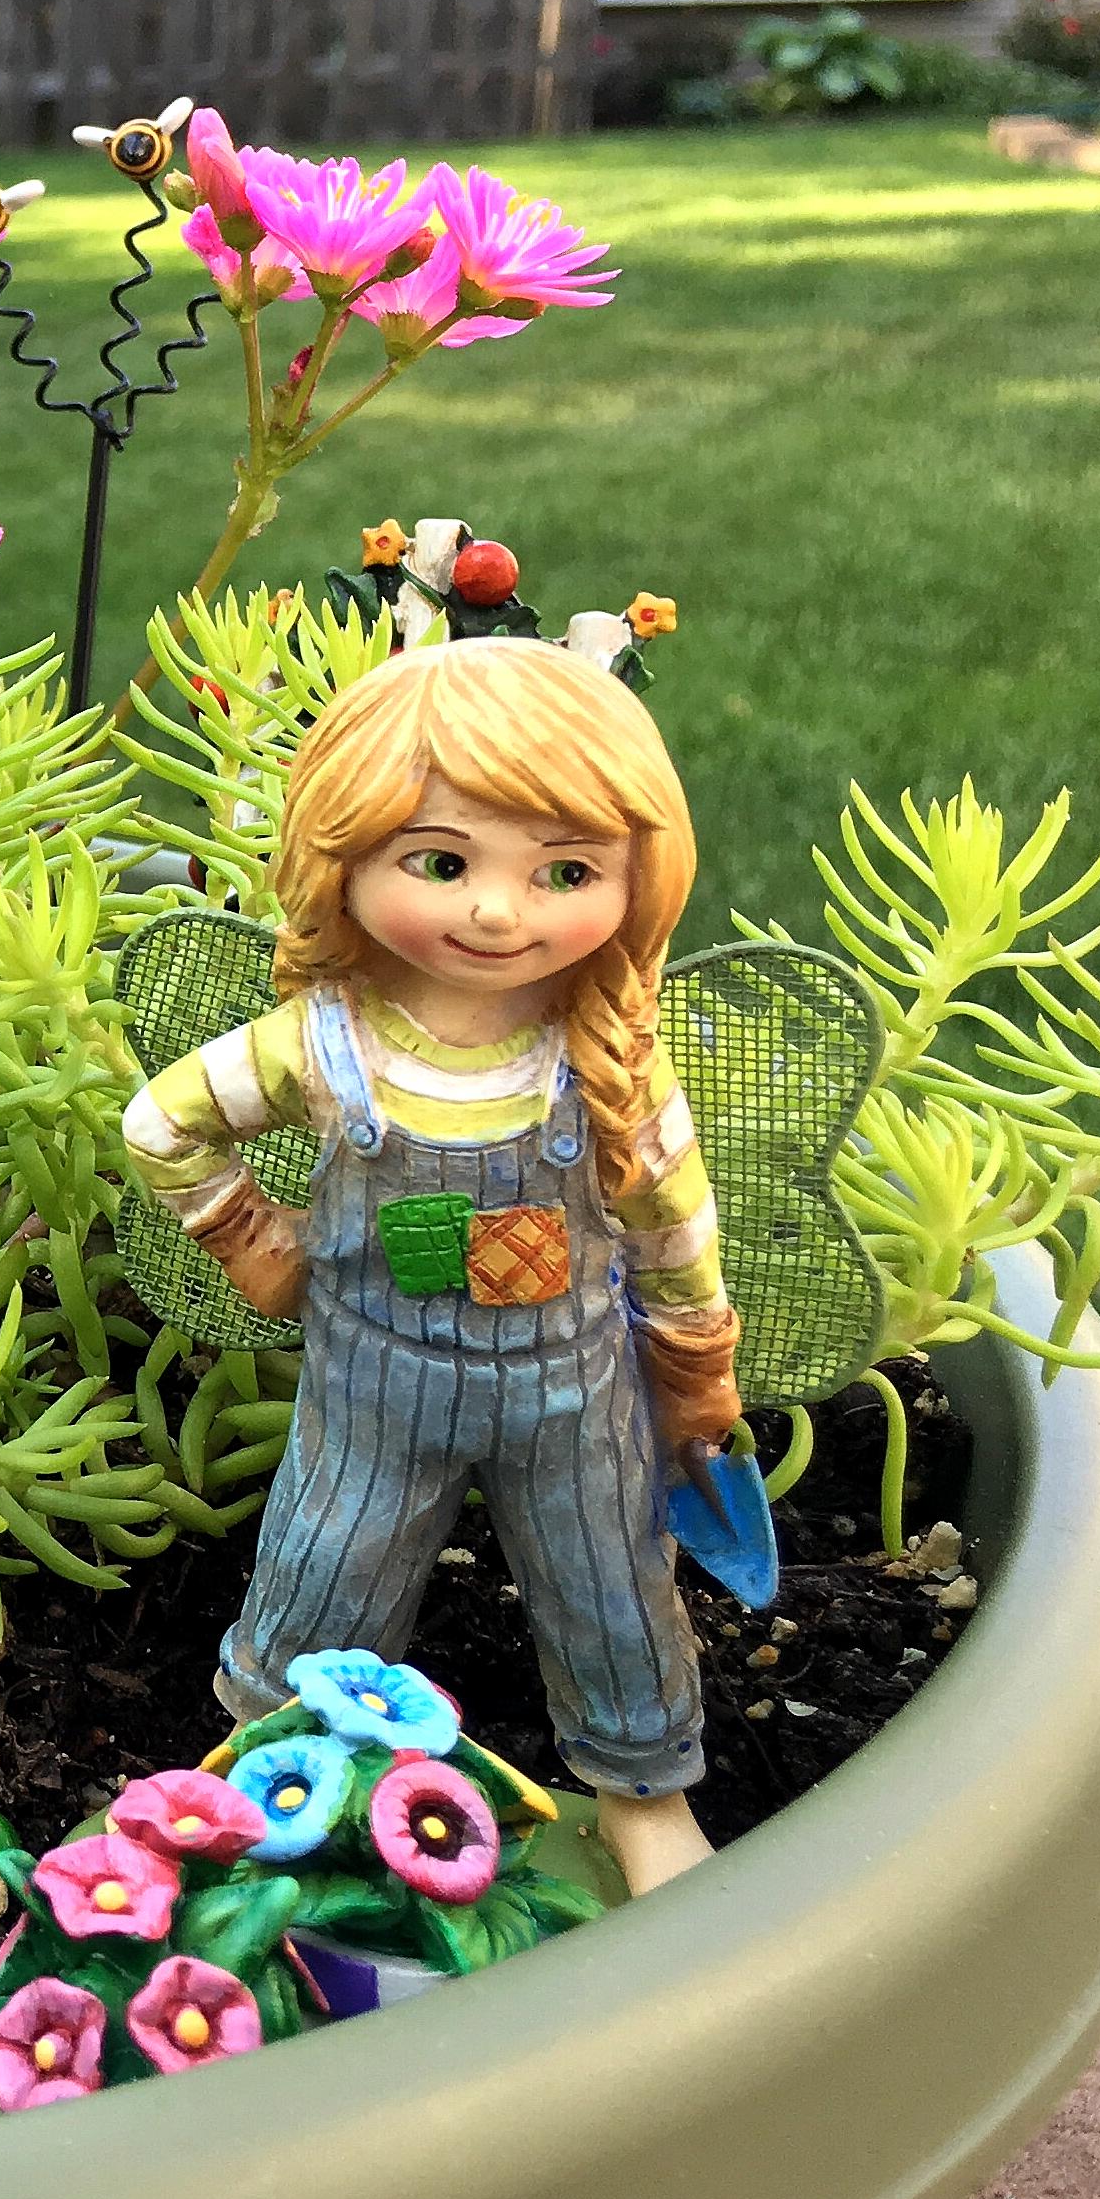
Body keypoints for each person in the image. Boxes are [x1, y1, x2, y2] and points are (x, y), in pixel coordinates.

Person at [120, 636, 735, 1894]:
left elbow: (670, 1218)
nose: (497, 910)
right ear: (342, 862)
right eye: (441, 863)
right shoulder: (321, 1042)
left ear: (637, 876)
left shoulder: (603, 1053)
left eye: (563, 869)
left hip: (567, 1385)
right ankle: (273, 1766)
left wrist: (695, 1360)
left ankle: (641, 1795)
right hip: (369, 1382)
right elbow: (159, 1125)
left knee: (606, 1576)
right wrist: (255, 1242)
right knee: (323, 1558)